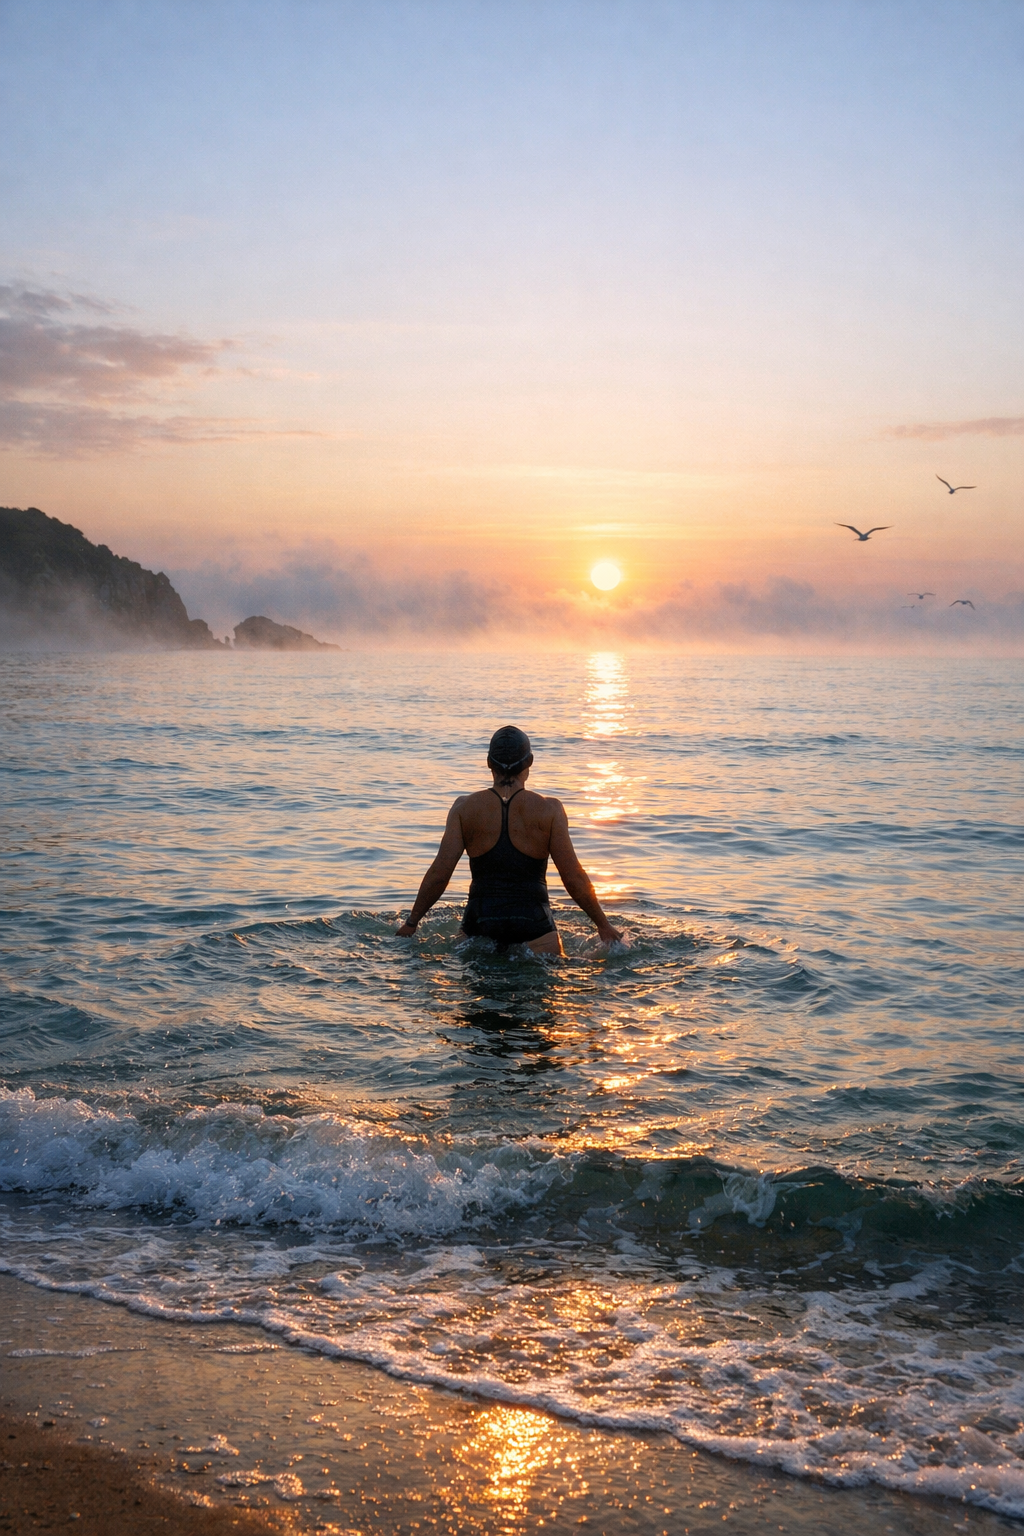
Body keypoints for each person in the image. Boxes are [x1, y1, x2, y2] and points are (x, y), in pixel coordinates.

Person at [395, 726, 622, 955]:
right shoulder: (549, 810)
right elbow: (572, 876)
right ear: (530, 762)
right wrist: (603, 925)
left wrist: (412, 923)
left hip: (479, 926)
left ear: (488, 763)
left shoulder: (464, 808)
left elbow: (440, 873)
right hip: (535, 930)